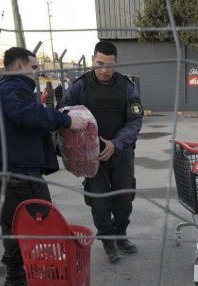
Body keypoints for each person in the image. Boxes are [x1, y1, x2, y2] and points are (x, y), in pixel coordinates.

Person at [0, 47, 85, 286]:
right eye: (34, 67)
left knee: (12, 224)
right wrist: (65, 120)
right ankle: (37, 280)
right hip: (17, 170)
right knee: (39, 223)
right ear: (19, 66)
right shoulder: (14, 88)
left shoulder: (2, 90)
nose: (36, 73)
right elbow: (26, 113)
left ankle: (16, 277)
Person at [59, 40, 143, 263]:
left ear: (117, 63)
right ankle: (107, 241)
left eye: (110, 64)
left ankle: (120, 235)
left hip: (121, 153)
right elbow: (63, 113)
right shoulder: (80, 86)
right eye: (99, 63)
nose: (104, 70)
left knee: (124, 198)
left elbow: (135, 121)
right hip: (90, 156)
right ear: (93, 59)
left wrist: (115, 144)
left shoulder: (127, 86)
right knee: (99, 201)